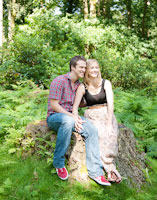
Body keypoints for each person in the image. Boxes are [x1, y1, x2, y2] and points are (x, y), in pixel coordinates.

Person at [46, 56, 111, 186]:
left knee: (91, 129)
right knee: (68, 121)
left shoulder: (79, 85)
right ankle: (58, 163)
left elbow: (80, 104)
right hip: (55, 117)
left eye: (84, 67)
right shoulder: (59, 81)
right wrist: (71, 116)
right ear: (72, 67)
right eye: (81, 67)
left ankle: (96, 172)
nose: (84, 69)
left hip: (71, 117)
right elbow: (54, 105)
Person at [72, 59, 122, 183]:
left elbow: (111, 103)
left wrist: (109, 122)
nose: (94, 70)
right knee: (99, 135)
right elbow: (75, 107)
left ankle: (110, 167)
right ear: (87, 70)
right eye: (92, 68)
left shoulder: (106, 83)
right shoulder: (82, 87)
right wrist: (76, 119)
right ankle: (108, 169)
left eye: (96, 68)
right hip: (92, 115)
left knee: (110, 134)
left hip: (106, 113)